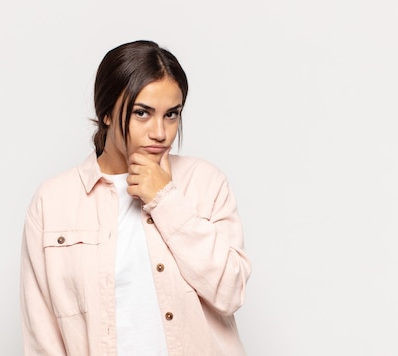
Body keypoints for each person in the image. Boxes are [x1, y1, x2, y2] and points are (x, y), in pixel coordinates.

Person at [20, 40, 251, 356]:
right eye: (142, 113)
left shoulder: (205, 183)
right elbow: (42, 336)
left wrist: (165, 199)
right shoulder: (53, 202)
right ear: (106, 114)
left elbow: (230, 291)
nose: (161, 132)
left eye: (172, 114)